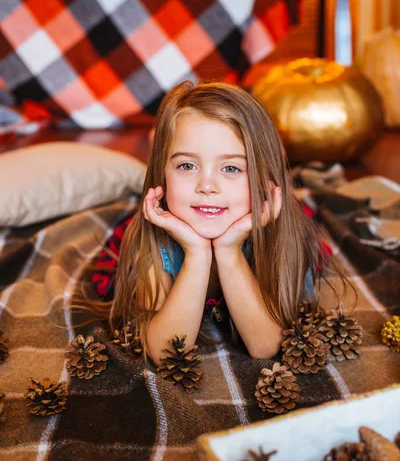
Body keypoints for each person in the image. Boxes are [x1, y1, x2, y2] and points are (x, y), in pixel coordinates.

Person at [108, 80, 329, 367]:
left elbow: (265, 346)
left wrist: (229, 250)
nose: (208, 185)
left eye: (231, 168)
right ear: (162, 174)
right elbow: (165, 353)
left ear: (263, 179)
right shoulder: (151, 245)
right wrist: (197, 254)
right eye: (187, 165)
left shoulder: (284, 239)